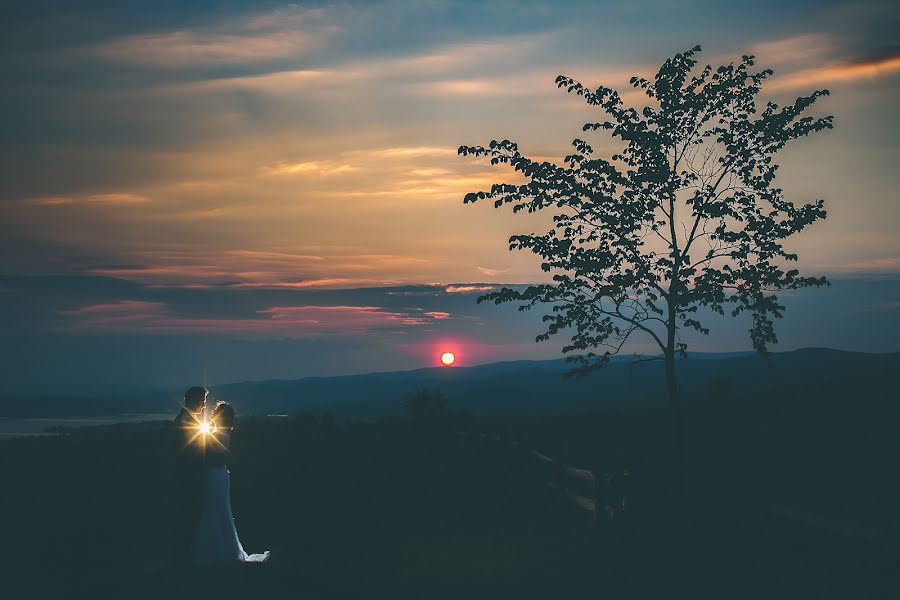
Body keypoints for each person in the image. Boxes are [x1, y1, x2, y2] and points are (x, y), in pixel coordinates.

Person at [190, 401, 270, 566]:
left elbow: (212, 456)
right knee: (216, 509)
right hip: (217, 475)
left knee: (216, 508)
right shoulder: (218, 433)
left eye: (214, 412)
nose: (211, 414)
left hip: (215, 475)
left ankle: (218, 550)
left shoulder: (219, 435)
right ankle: (218, 547)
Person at [171, 386, 209, 568]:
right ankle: (182, 556)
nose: (204, 405)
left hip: (191, 475)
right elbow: (188, 451)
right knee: (188, 515)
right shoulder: (185, 421)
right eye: (203, 400)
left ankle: (187, 553)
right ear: (194, 400)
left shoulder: (188, 419)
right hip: (188, 476)